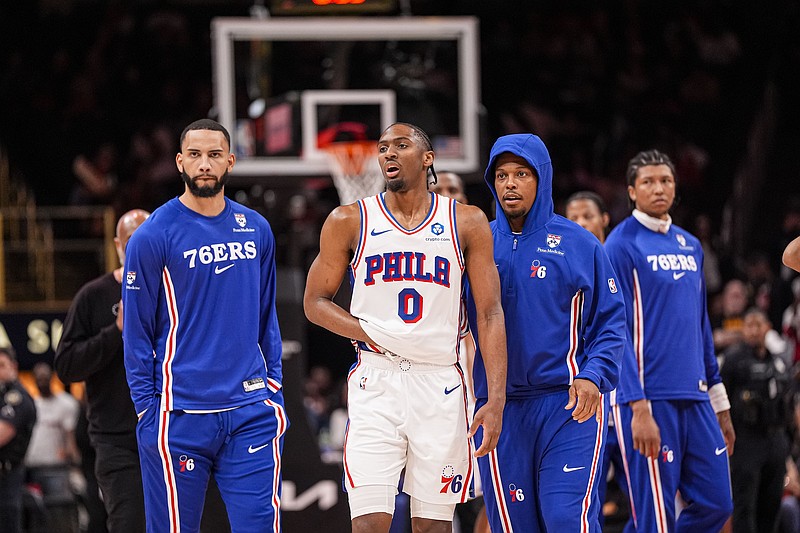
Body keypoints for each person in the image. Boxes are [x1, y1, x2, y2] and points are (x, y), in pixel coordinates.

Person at [303, 122, 507, 533]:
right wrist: (370, 332)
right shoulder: (348, 219)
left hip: (442, 385)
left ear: (428, 158)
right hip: (376, 382)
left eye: (401, 145)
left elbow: (490, 313)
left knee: (432, 526)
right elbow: (314, 303)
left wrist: (495, 396)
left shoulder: (466, 221)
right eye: (383, 148)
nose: (389, 153)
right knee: (369, 524)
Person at [122, 119, 287, 532]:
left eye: (214, 155)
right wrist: (147, 409)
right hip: (180, 414)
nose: (205, 164)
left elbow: (267, 316)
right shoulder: (152, 235)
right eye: (195, 155)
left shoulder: (257, 228)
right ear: (179, 162)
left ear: (230, 161)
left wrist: (274, 386)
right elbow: (137, 332)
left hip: (250, 408)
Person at [468, 134, 626, 532]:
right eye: (501, 175)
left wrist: (593, 376)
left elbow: (610, 322)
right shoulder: (478, 246)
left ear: (542, 178)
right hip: (499, 410)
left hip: (568, 405)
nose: (510, 183)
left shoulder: (579, 243)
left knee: (564, 520)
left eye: (521, 173)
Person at [605, 149, 735, 532]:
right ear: (631, 191)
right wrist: (636, 406)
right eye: (648, 182)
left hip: (695, 395)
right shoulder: (620, 244)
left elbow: (700, 325)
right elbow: (616, 331)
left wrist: (720, 401)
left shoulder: (690, 245)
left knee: (718, 503)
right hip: (647, 398)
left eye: (665, 181)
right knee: (656, 517)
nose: (658, 189)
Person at [55, 208, 150, 532]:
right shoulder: (94, 296)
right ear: (117, 244)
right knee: (130, 523)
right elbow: (66, 366)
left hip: (174, 435)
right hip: (118, 440)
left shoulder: (178, 293)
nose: (140, 248)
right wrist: (116, 332)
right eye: (132, 240)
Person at [565, 190, 630, 528]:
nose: (580, 223)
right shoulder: (564, 263)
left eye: (587, 216)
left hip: (630, 395)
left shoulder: (620, 258)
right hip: (587, 396)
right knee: (587, 500)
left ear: (604, 219)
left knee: (645, 496)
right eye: (572, 217)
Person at [428, 171, 489, 533]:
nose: (448, 196)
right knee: (436, 512)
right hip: (433, 395)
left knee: (488, 508)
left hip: (478, 398)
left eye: (455, 190)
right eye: (440, 190)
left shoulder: (487, 247)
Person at [721, 307, 793, 533]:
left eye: (757, 325)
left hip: (775, 439)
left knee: (772, 502)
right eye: (748, 325)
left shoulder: (778, 362)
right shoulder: (733, 360)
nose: (752, 331)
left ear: (767, 328)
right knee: (745, 504)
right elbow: (723, 400)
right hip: (746, 441)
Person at [24, 362, 82, 533]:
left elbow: (71, 436)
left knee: (58, 514)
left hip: (57, 467)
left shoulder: (66, 404)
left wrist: (74, 460)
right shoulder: (31, 405)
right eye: (38, 377)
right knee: (34, 515)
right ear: (33, 380)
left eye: (45, 377)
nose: (42, 381)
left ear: (52, 377)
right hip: (30, 467)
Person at [0, 346, 37, 533]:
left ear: (13, 366)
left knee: (8, 522)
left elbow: (2, 434)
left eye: (1, 365)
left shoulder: (18, 398)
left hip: (8, 474)